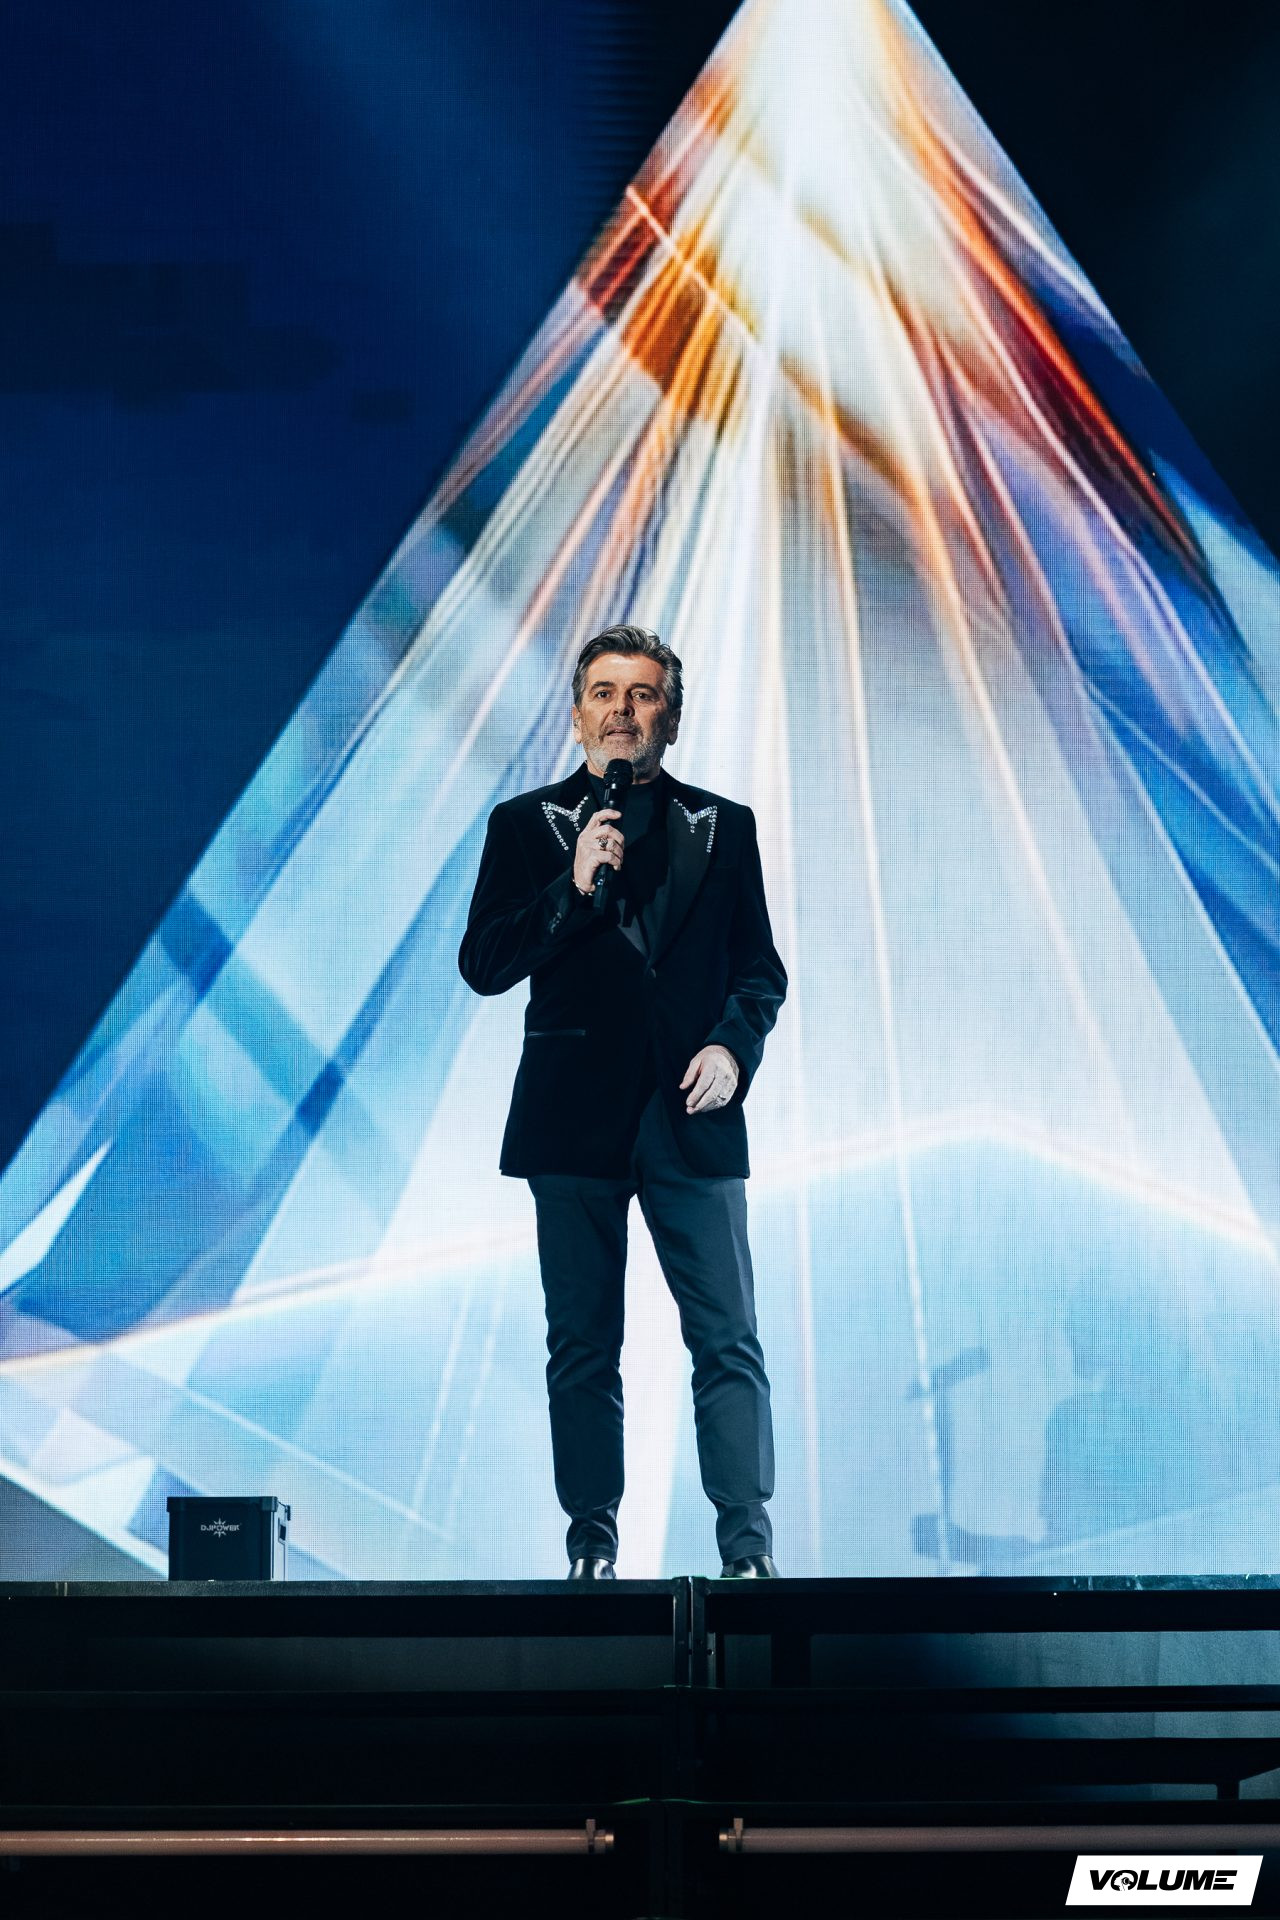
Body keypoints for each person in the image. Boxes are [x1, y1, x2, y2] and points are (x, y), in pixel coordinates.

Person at [458, 623, 787, 1579]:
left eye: (642, 695)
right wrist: (570, 889)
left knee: (727, 1338)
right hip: (572, 1119)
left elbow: (759, 970)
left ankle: (747, 1550)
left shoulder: (723, 826)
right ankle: (592, 1545)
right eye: (604, 694)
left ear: (670, 720)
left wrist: (734, 1046)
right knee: (583, 1345)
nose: (622, 711)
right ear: (576, 716)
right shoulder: (526, 826)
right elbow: (485, 962)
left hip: (693, 1117)